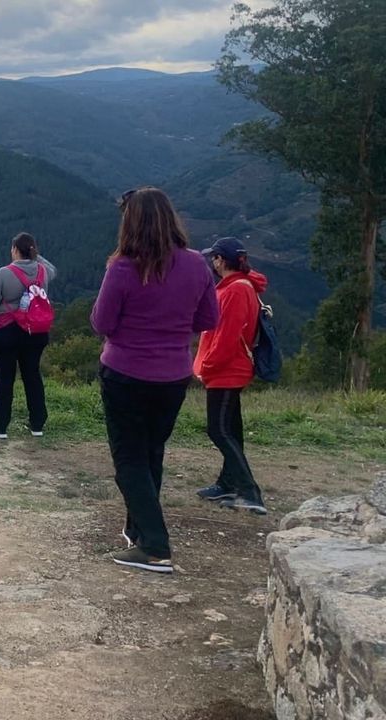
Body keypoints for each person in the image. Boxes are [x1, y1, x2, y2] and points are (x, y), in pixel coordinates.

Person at [90, 187, 219, 574]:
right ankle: (138, 530)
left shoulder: (124, 267)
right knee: (151, 453)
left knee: (129, 458)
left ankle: (156, 546)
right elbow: (208, 320)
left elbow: (101, 323)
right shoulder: (197, 264)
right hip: (173, 376)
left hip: (125, 374)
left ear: (130, 222)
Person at [193, 237, 268, 515]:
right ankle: (227, 483)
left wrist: (207, 366)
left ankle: (250, 491)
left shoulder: (236, 290)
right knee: (231, 430)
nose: (211, 263)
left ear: (221, 261)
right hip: (231, 368)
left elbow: (227, 335)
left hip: (226, 370)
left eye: (213, 258)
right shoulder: (242, 285)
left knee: (219, 429)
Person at [0, 232, 55, 439]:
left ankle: (1, 425)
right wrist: (36, 256)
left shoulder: (5, 273)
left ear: (14, 250)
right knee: (32, 375)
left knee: (5, 378)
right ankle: (37, 423)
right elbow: (53, 271)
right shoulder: (43, 272)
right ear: (33, 250)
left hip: (7, 332)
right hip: (35, 332)